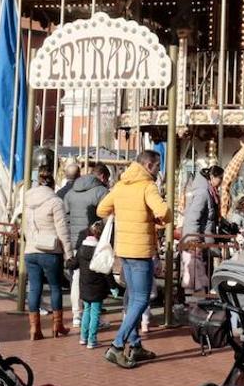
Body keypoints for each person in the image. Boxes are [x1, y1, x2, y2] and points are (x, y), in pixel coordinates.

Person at [96, 150, 171, 368]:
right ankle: (117, 345)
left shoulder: (121, 186)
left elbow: (102, 209)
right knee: (141, 299)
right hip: (140, 251)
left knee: (131, 296)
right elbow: (164, 211)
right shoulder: (148, 186)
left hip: (124, 250)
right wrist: (158, 217)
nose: (158, 171)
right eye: (157, 167)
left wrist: (124, 213)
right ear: (149, 166)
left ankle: (135, 344)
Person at [23, 169, 73, 340]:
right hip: (50, 251)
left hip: (31, 250)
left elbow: (25, 226)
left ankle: (34, 328)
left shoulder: (28, 200)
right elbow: (62, 230)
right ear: (52, 184)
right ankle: (57, 325)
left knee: (35, 288)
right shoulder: (55, 201)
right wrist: (69, 253)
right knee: (55, 287)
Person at [64, 163, 110, 328]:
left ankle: (77, 314)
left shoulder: (70, 193)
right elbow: (108, 217)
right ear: (102, 177)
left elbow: (66, 216)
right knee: (97, 278)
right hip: (95, 240)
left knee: (77, 278)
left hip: (77, 240)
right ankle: (95, 317)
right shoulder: (101, 192)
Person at [68, 219, 118, 349]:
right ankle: (92, 339)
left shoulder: (81, 249)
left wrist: (68, 261)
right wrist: (113, 287)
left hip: (84, 286)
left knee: (86, 311)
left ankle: (83, 337)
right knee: (95, 313)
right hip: (97, 287)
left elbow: (73, 265)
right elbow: (107, 272)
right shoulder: (101, 251)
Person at [180, 165, 223, 298]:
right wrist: (194, 239)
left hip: (204, 238)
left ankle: (200, 300)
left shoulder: (209, 192)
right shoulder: (203, 193)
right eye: (220, 178)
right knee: (197, 274)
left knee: (202, 272)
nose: (221, 181)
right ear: (212, 177)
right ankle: (195, 303)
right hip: (199, 239)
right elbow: (194, 217)